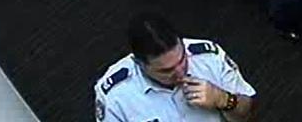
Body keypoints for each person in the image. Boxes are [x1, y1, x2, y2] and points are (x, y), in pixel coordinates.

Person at [94, 12, 255, 121]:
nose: (180, 72)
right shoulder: (115, 96)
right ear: (139, 64)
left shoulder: (209, 57)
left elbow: (246, 114)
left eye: (182, 59)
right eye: (166, 70)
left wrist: (223, 99)